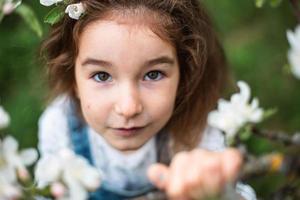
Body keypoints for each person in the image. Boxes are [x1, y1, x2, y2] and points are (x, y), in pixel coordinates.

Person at [38, 0, 257, 199]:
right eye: (102, 76)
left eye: (153, 74)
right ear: (73, 78)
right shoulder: (60, 129)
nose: (128, 108)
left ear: (183, 73)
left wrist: (216, 190)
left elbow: (240, 192)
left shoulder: (198, 131)